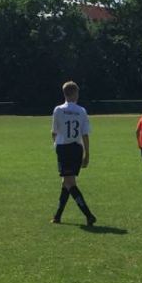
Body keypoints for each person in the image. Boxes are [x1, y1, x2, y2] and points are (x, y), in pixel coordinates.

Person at [51, 81, 96, 225]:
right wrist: (87, 154)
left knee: (69, 182)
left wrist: (56, 145)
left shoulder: (58, 110)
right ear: (75, 93)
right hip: (77, 149)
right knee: (66, 182)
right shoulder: (81, 110)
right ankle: (57, 216)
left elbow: (54, 132)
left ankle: (89, 215)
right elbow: (85, 134)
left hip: (64, 149)